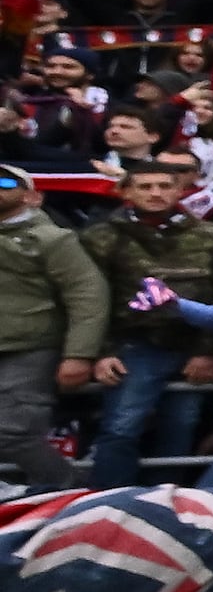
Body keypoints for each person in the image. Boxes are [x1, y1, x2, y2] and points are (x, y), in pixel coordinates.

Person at [78, 147, 213, 476]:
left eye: (164, 185)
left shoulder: (211, 234)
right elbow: (89, 300)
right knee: (120, 428)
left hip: (191, 346)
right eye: (145, 186)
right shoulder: (99, 237)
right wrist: (101, 352)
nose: (156, 193)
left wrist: (207, 352)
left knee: (181, 428)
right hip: (132, 346)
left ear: (181, 189)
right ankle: (108, 506)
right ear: (124, 191)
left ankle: (164, 504)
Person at [0, 165, 117, 486]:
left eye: (5, 182)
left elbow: (88, 293)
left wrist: (79, 354)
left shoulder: (53, 239)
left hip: (28, 348)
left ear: (31, 196)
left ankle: (74, 494)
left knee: (13, 433)